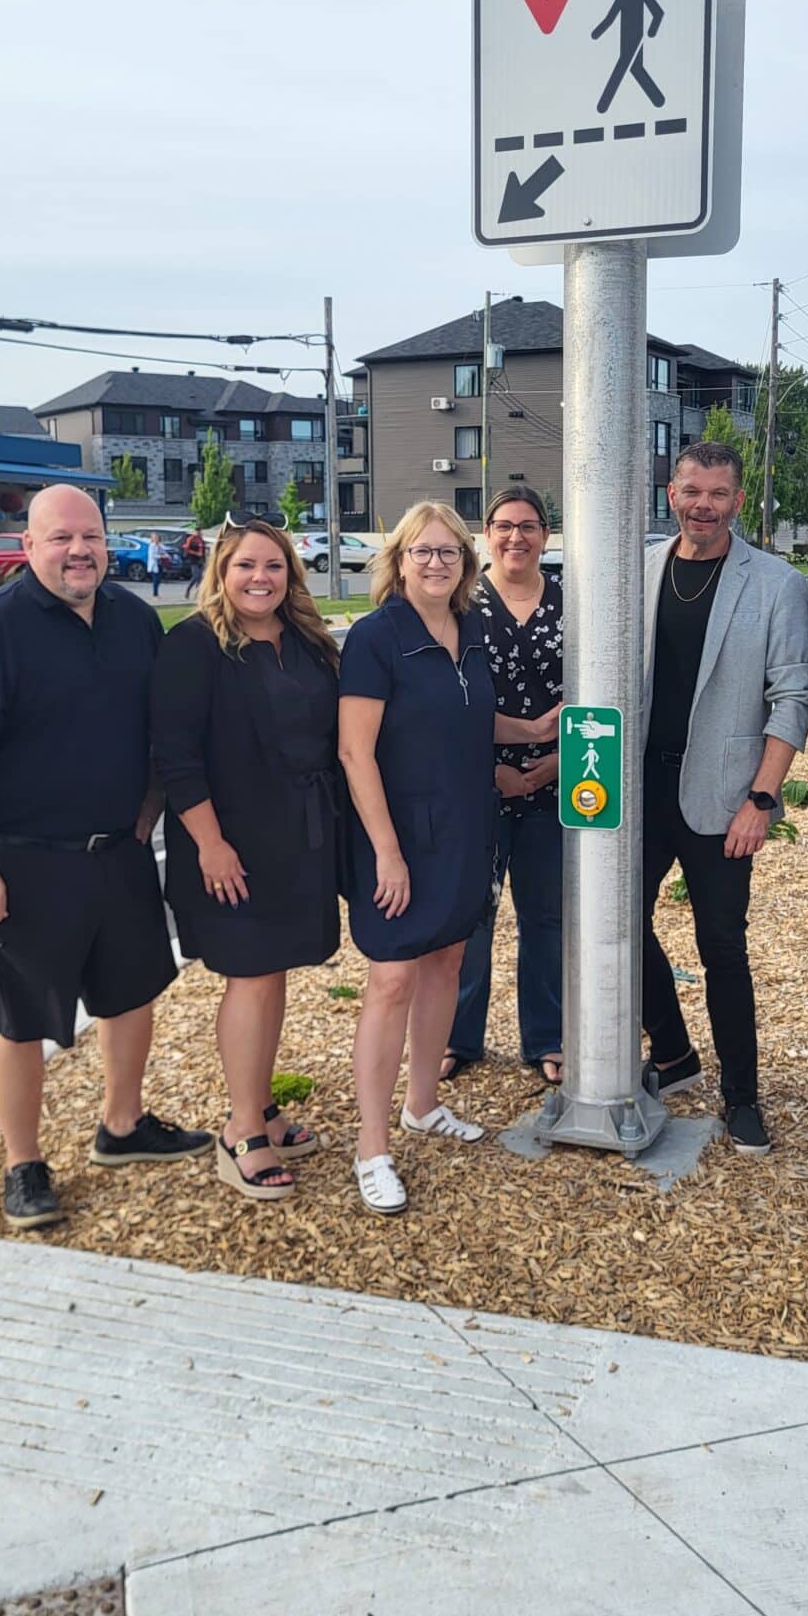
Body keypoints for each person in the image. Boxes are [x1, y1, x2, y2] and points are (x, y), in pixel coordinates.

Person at [0, 485, 211, 1231]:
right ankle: (24, 1163)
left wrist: (142, 821)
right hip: (21, 864)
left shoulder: (135, 621)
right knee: (17, 1019)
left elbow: (156, 733)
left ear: (108, 543)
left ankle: (123, 1125)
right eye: (60, 538)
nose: (78, 550)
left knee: (130, 994)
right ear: (29, 547)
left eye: (90, 536)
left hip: (116, 855)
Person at [338, 501, 559, 1214]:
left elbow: (469, 714)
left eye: (449, 553)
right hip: (397, 837)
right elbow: (354, 750)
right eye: (421, 551)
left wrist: (527, 726)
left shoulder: (467, 631)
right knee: (392, 980)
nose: (436, 563)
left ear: (466, 564)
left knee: (446, 964)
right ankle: (372, 1147)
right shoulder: (375, 638)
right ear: (398, 559)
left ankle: (422, 1104)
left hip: (465, 829)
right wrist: (386, 854)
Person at [151, 517, 340, 1204]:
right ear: (220, 574)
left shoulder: (309, 643)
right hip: (229, 844)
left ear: (291, 573)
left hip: (300, 836)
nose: (260, 578)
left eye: (273, 566)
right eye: (245, 567)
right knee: (252, 978)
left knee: (273, 977)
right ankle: (239, 1133)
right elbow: (174, 756)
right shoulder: (195, 647)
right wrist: (210, 843)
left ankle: (260, 1107)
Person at [642, 442, 808, 1154]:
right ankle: (676, 1056)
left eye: (716, 493)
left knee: (722, 949)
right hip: (639, 786)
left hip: (723, 797)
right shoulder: (641, 565)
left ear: (737, 501)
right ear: (672, 493)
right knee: (612, 925)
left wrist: (762, 799)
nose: (701, 505)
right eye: (690, 490)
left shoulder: (774, 582)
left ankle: (741, 1097)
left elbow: (791, 696)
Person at [443, 486, 563, 1086]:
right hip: (477, 784)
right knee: (472, 916)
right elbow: (442, 701)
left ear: (546, 534)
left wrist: (558, 762)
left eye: (529, 526)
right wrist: (493, 769)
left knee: (546, 918)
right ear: (485, 533)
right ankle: (457, 1037)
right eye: (504, 525)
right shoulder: (462, 608)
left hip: (557, 784)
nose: (516, 537)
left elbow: (600, 695)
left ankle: (548, 1036)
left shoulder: (572, 605)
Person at [182, 527, 206, 600]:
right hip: (193, 560)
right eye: (197, 532)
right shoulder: (191, 539)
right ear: (194, 532)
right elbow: (187, 549)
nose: (198, 533)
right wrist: (196, 553)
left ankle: (198, 594)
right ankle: (188, 590)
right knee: (195, 576)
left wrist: (204, 559)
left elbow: (203, 551)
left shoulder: (201, 540)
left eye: (199, 532)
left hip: (200, 560)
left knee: (200, 578)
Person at [147, 532, 164, 598]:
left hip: (160, 564)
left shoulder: (160, 545)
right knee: (155, 580)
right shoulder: (152, 546)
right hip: (154, 565)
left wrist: (166, 556)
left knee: (159, 579)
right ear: (152, 539)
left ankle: (156, 593)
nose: (156, 539)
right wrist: (161, 556)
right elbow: (152, 555)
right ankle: (155, 594)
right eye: (155, 538)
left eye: (157, 538)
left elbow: (164, 552)